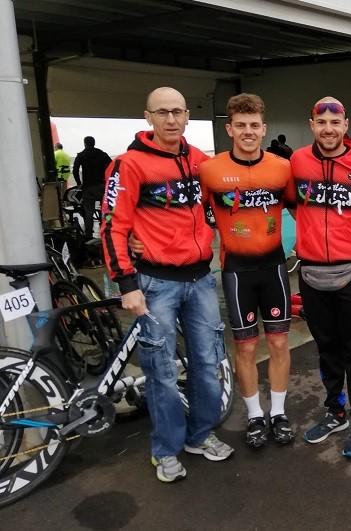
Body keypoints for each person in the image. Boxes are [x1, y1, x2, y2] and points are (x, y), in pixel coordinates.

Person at [101, 87, 233, 483]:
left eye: (177, 112)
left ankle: (200, 435)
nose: (171, 120)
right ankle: (166, 450)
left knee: (208, 364)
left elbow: (218, 205)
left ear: (188, 115)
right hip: (155, 284)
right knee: (159, 370)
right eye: (162, 113)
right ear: (148, 117)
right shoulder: (128, 165)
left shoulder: (200, 162)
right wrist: (127, 283)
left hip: (201, 278)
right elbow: (112, 227)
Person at [199, 93, 295, 449]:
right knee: (245, 347)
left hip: (273, 267)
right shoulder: (209, 170)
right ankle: (256, 416)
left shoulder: (281, 168)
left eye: (254, 125)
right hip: (236, 270)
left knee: (280, 342)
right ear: (229, 129)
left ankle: (279, 413)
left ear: (264, 128)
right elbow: (188, 213)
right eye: (241, 126)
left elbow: (303, 211)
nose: (248, 132)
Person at [292, 97, 351, 458]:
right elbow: (286, 201)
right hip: (312, 273)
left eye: (335, 122)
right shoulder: (297, 162)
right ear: (312, 125)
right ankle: (336, 411)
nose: (328, 129)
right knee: (326, 349)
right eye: (321, 122)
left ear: (345, 125)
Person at [72, 136, 112, 239]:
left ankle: (88, 235)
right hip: (101, 187)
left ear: (85, 143)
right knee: (105, 210)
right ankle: (107, 232)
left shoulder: (81, 155)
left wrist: (78, 183)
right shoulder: (102, 154)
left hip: (88, 187)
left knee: (88, 212)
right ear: (94, 143)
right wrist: (108, 179)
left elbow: (75, 170)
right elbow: (112, 165)